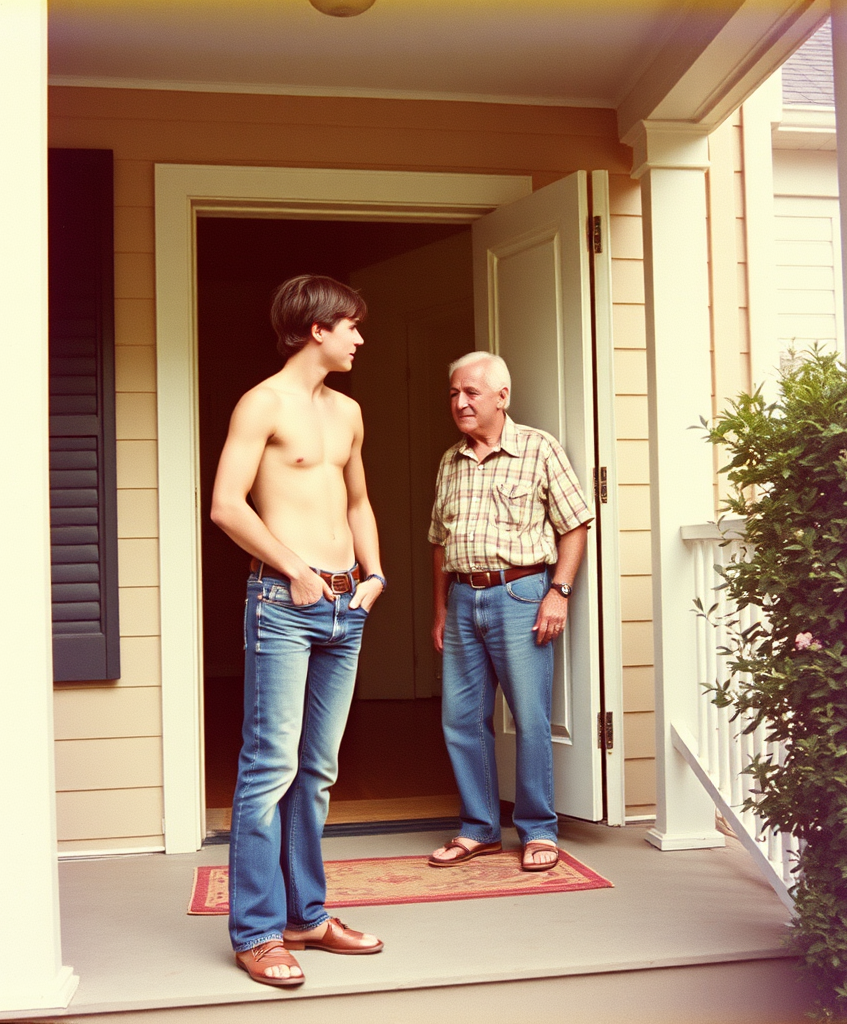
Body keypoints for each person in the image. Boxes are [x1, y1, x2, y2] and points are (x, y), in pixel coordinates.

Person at [210, 274, 386, 987]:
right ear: (317, 327)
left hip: (348, 606)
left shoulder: (348, 411)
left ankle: (306, 917)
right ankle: (256, 932)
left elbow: (361, 499)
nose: (359, 337)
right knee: (269, 770)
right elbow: (227, 506)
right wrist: (293, 568)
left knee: (316, 774)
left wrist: (375, 577)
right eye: (351, 325)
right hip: (284, 602)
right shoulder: (262, 403)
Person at [427, 352, 592, 873]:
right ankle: (478, 829)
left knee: (529, 717)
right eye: (454, 393)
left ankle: (539, 829)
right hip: (461, 599)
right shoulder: (449, 462)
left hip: (521, 595)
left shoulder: (539, 450)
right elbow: (438, 543)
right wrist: (438, 611)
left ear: (502, 396)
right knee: (461, 719)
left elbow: (575, 525)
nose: (460, 402)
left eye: (471, 393)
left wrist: (558, 592)